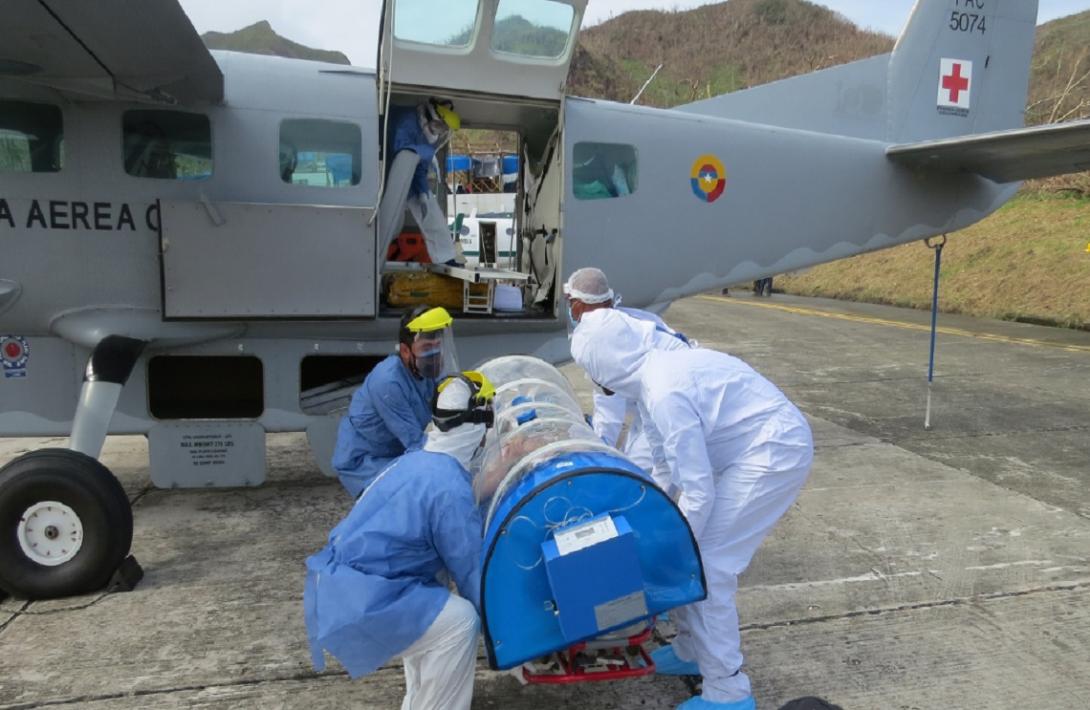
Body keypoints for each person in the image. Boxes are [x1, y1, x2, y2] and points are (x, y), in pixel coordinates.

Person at [570, 309, 813, 710]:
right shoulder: (649, 383)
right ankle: (689, 650)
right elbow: (666, 467)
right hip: (752, 449)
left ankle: (728, 692)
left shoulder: (664, 391)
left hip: (773, 452)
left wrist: (672, 546)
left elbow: (698, 491)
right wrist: (650, 521)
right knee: (692, 559)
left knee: (710, 566)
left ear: (606, 369)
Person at [305, 372, 494, 710]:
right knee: (461, 621)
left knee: (434, 608)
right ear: (478, 426)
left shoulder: (420, 459)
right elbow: (470, 572)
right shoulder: (450, 489)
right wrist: (504, 631)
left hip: (342, 586)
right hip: (365, 600)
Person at [563, 267, 693, 470]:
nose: (569, 309)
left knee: (644, 471)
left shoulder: (597, 339)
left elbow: (609, 404)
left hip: (673, 395)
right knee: (640, 458)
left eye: (570, 302)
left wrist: (597, 449)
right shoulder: (627, 318)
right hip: (660, 393)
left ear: (578, 305)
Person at [331, 306, 458, 497]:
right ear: (406, 351)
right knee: (410, 503)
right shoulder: (388, 383)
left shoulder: (425, 370)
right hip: (368, 462)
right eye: (426, 348)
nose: (434, 355)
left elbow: (450, 399)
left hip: (396, 454)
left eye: (438, 346)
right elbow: (417, 444)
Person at [389, 98, 463, 265]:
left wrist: (424, 193)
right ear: (432, 117)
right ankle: (444, 256)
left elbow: (417, 169)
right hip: (390, 178)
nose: (440, 132)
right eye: (441, 127)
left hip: (406, 180)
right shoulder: (407, 123)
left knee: (431, 210)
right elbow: (401, 155)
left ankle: (446, 257)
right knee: (393, 221)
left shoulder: (425, 135)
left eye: (444, 129)